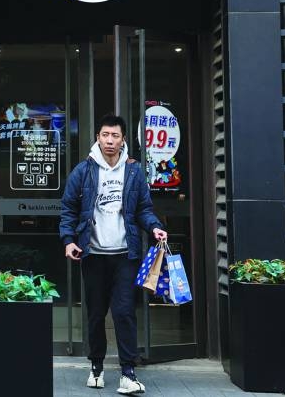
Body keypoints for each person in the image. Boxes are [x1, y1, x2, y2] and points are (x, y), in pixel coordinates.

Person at [59, 114, 167, 395]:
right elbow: (69, 208)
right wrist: (69, 240)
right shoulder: (83, 171)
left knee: (123, 312)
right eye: (105, 135)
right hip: (92, 254)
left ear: (123, 140)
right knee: (95, 314)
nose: (109, 141)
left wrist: (155, 227)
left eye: (115, 136)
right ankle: (96, 366)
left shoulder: (133, 172)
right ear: (98, 137)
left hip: (125, 255)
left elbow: (144, 208)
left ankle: (128, 373)